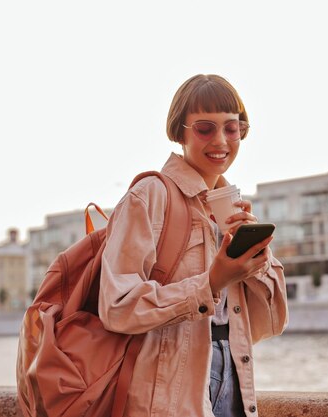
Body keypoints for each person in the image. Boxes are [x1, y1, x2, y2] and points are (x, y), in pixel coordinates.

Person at [99, 74, 288, 417]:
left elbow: (272, 323)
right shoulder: (149, 197)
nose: (221, 140)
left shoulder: (230, 208)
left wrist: (255, 260)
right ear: (180, 131)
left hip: (233, 375)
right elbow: (117, 306)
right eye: (205, 128)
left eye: (232, 128)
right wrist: (211, 283)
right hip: (165, 388)